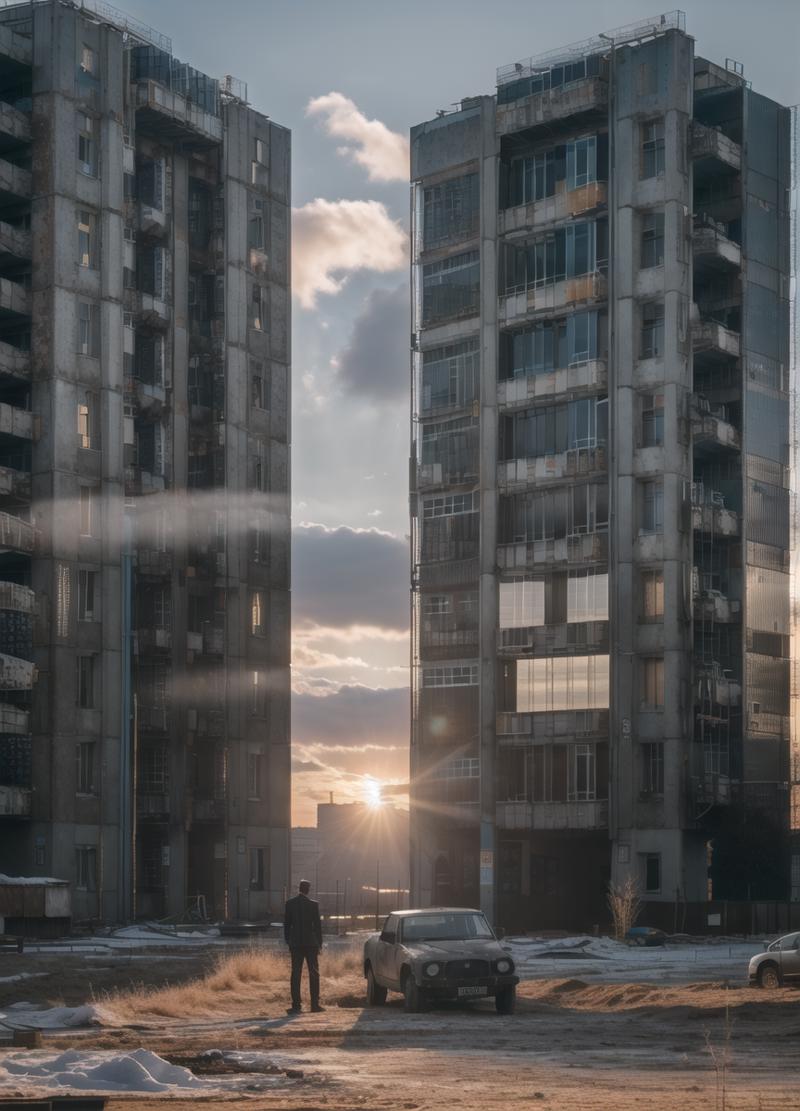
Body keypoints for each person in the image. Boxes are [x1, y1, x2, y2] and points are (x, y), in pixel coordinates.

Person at [283, 879, 324, 1014]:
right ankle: (314, 1005)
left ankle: (296, 1005)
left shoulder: (290, 904)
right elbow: (317, 927)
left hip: (296, 945)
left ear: (299, 889)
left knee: (296, 974)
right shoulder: (313, 905)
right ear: (308, 890)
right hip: (311, 944)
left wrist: (289, 941)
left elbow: (287, 925)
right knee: (314, 974)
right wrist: (320, 944)